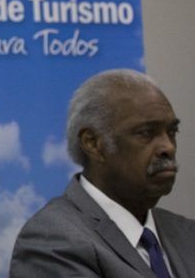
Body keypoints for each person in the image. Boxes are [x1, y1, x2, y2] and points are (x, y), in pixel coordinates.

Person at [10, 69, 195, 277]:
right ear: (93, 144)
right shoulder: (52, 240)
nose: (168, 147)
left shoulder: (186, 232)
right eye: (146, 133)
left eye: (172, 132)